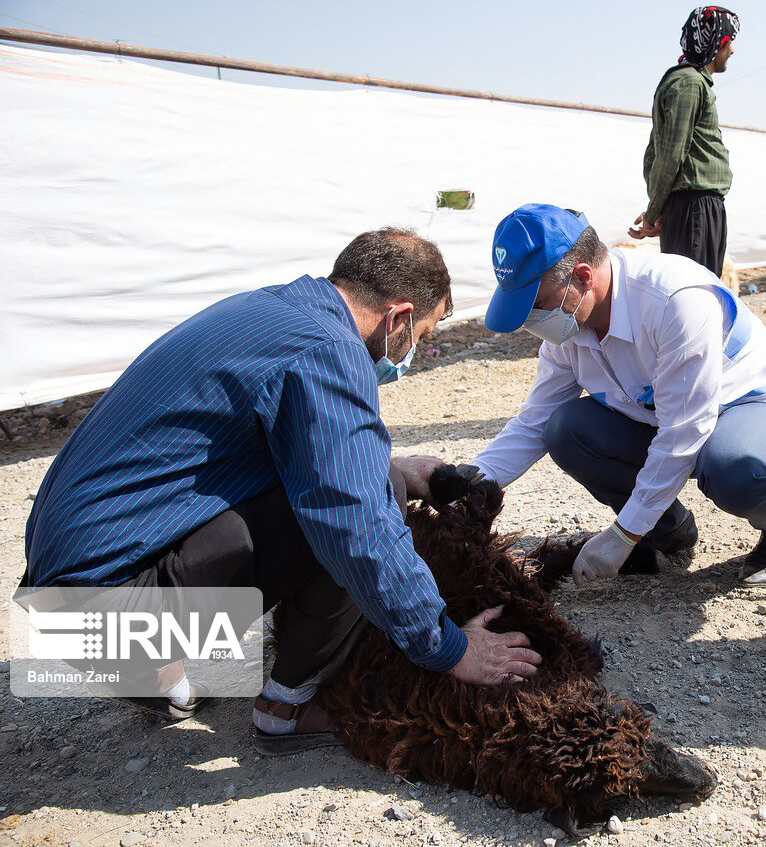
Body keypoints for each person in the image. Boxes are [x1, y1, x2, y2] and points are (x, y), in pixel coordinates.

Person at [21, 228, 542, 751]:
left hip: (61, 606)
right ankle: (285, 708)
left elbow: (273, 447)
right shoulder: (327, 348)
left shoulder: (270, 312)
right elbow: (356, 522)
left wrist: (399, 466)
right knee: (367, 499)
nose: (414, 352)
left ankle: (156, 678)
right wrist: (450, 649)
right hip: (105, 619)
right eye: (422, 336)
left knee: (371, 478)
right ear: (398, 318)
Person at [474, 204, 766, 587]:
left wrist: (623, 534)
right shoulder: (571, 329)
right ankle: (670, 530)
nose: (531, 321)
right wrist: (467, 484)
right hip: (665, 414)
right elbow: (533, 422)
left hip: (750, 404)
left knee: (733, 468)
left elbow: (683, 432)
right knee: (565, 429)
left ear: (582, 277)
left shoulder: (674, 301)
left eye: (536, 306)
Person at [629, 5, 739, 278]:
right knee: (693, 294)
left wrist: (659, 210)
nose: (732, 50)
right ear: (715, 44)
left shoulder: (693, 82)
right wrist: (654, 213)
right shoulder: (689, 84)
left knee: (703, 293)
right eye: (728, 42)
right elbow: (669, 154)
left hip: (698, 208)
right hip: (695, 208)